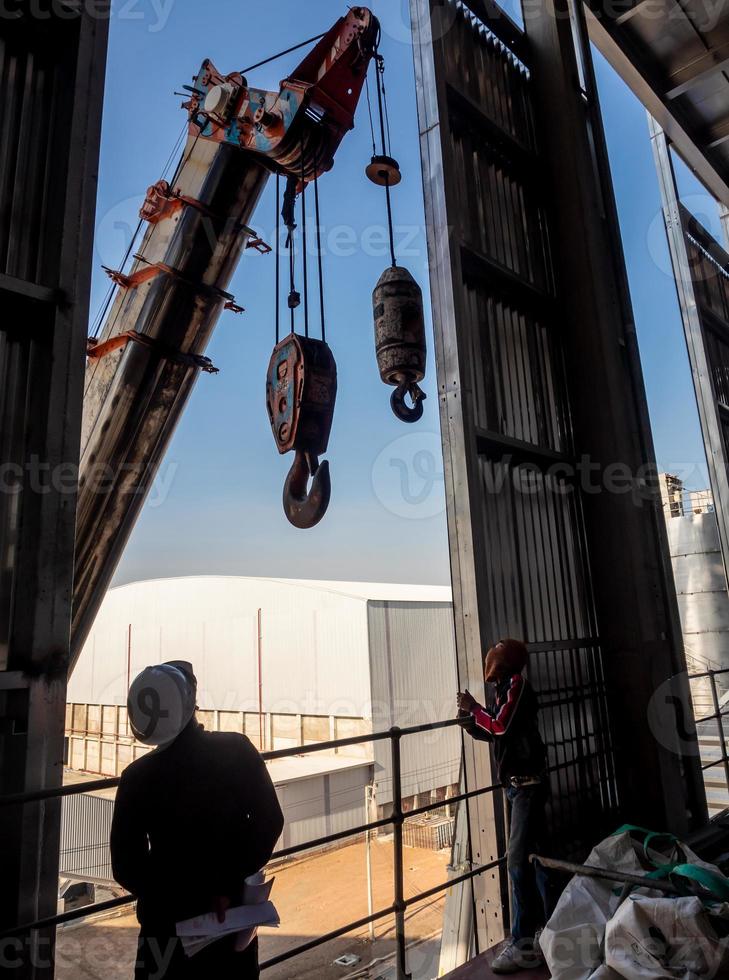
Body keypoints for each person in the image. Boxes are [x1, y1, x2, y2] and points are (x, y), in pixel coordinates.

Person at [110, 661, 284, 979]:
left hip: (164, 931)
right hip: (229, 920)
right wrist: (222, 883)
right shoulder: (236, 750)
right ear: (193, 705)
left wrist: (178, 897)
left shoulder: (136, 778)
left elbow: (126, 867)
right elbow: (270, 822)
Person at [457, 638, 553, 975]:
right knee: (539, 858)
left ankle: (523, 942)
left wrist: (473, 710)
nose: (490, 664)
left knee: (516, 862)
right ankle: (549, 928)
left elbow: (500, 725)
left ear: (504, 663)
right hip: (521, 786)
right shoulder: (507, 688)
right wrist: (473, 723)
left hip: (525, 787)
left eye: (494, 658)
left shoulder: (516, 687)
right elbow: (500, 730)